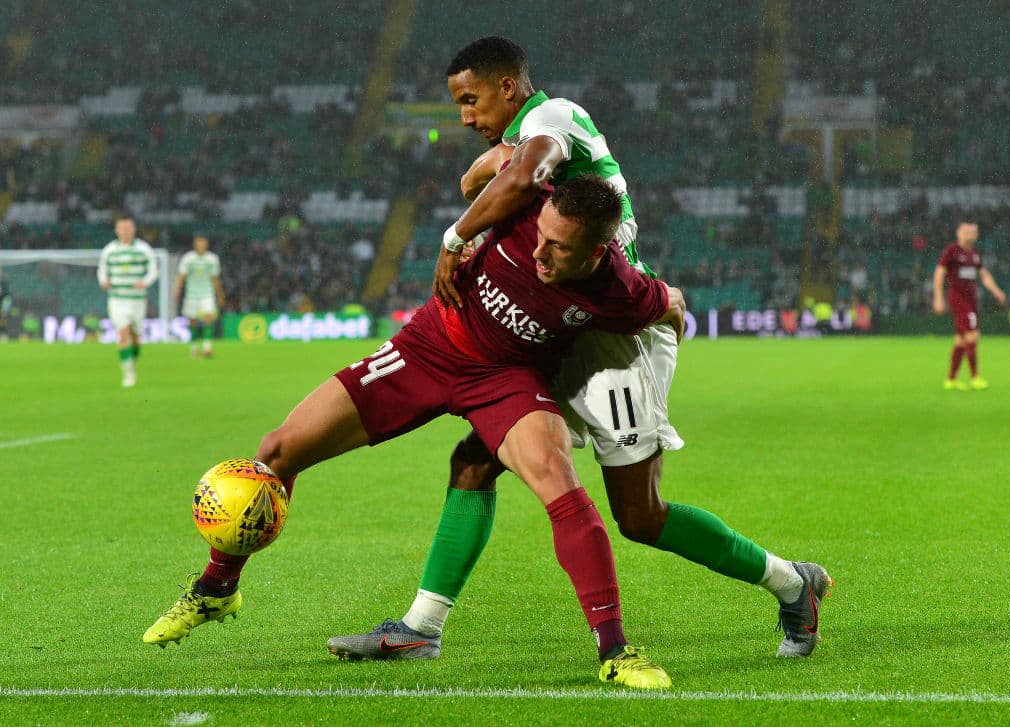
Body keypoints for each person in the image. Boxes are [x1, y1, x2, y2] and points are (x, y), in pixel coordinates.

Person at [330, 36, 831, 663]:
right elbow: (497, 177)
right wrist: (484, 171)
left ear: (507, 86)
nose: (465, 117)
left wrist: (459, 233)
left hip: (618, 341)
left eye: (470, 100)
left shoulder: (551, 118)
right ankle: (421, 627)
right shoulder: (526, 142)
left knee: (640, 516)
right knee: (475, 461)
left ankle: (793, 583)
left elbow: (521, 176)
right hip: (563, 331)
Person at [144, 177, 684, 689]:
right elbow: (492, 169)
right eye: (540, 238)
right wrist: (457, 238)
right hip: (429, 345)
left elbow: (669, 306)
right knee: (277, 451)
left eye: (559, 249)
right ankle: (217, 588)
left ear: (595, 253)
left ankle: (615, 650)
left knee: (559, 484)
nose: (540, 253)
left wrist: (674, 320)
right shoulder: (525, 200)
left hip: (507, 381)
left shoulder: (622, 290)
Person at [932, 218, 1007, 390]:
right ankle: (974, 377)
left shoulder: (974, 254)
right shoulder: (952, 251)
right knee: (973, 335)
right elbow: (939, 273)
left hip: (972, 301)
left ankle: (951, 379)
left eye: (973, 232)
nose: (970, 235)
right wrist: (938, 298)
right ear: (958, 233)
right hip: (958, 300)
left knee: (960, 340)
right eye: (967, 231)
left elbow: (984, 274)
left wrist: (995, 290)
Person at [97, 214, 158, 387]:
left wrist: (144, 282)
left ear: (134, 229)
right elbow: (101, 270)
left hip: (137, 300)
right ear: (117, 230)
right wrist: (103, 281)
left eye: (128, 228)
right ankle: (128, 375)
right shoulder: (110, 250)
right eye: (122, 228)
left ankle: (132, 363)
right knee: (123, 334)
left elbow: (153, 270)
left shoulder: (143, 249)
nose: (125, 231)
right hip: (117, 299)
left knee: (136, 338)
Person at [173, 234, 225, 358]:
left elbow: (215, 278)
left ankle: (207, 348)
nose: (201, 245)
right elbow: (181, 275)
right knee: (193, 321)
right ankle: (194, 347)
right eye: (199, 242)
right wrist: (177, 290)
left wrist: (220, 295)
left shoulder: (212, 259)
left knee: (208, 317)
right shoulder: (188, 258)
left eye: (203, 242)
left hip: (207, 294)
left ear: (206, 244)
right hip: (192, 294)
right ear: (195, 244)